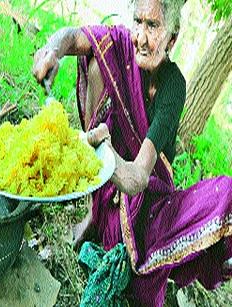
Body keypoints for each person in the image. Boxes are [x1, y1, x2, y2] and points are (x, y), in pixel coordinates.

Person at [33, 0, 232, 305]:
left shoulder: (173, 85)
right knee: (100, 59)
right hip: (109, 184)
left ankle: (114, 229)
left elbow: (139, 176)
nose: (140, 36)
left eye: (153, 26)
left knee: (224, 195)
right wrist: (51, 50)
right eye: (138, 22)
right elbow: (73, 37)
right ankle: (94, 212)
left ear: (172, 38)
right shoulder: (121, 46)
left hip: (145, 198)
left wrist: (105, 155)